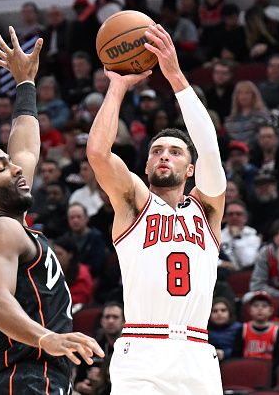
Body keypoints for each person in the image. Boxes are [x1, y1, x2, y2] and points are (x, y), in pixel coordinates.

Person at [0, 27, 103, 393]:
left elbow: (25, 149)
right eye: (0, 168)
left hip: (34, 377)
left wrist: (25, 85)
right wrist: (46, 338)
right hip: (27, 376)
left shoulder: (9, 223)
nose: (16, 168)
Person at [87, 23, 225, 394]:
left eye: (176, 152)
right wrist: (116, 89)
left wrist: (175, 76)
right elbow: (98, 154)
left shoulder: (208, 210)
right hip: (143, 347)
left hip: (197, 352)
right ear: (145, 167)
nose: (165, 156)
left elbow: (210, 149)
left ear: (190, 169)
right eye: (157, 151)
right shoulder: (134, 202)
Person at [208, 297, 241, 362]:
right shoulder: (205, 331)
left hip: (233, 363)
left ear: (230, 313)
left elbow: (241, 351)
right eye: (215, 311)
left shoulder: (239, 329)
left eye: (223, 310)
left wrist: (225, 353)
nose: (219, 313)